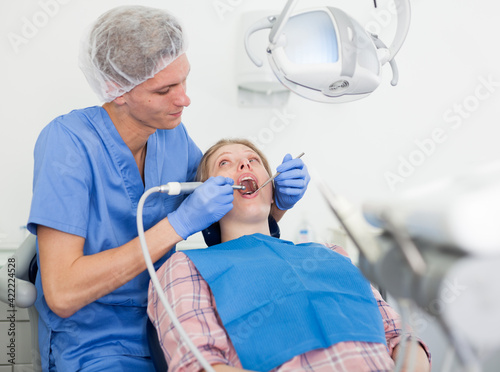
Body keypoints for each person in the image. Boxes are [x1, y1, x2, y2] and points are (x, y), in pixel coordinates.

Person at [27, 7, 309, 372]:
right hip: (94, 341)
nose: (184, 100)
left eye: (184, 81)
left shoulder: (172, 139)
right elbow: (62, 292)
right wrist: (177, 225)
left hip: (173, 323)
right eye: (164, 90)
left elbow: (228, 218)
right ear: (118, 90)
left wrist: (278, 204)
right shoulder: (68, 144)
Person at [147, 138, 432, 372]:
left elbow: (401, 337)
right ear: (202, 195)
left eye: (254, 160)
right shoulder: (185, 267)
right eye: (225, 162)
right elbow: (199, 366)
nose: (245, 163)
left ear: (273, 189)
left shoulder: (333, 254)